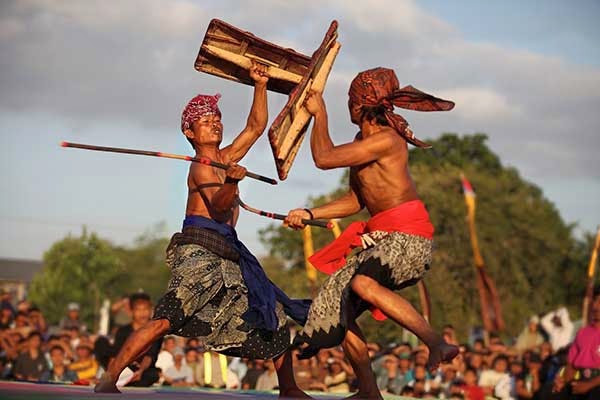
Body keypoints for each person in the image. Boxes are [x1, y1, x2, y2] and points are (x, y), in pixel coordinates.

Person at [95, 61, 310, 399]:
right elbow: (221, 205)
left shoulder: (225, 157)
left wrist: (260, 84)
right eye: (205, 122)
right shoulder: (201, 168)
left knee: (271, 312)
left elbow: (256, 126)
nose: (215, 125)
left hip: (228, 257)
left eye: (217, 120)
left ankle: (289, 388)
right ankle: (109, 377)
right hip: (199, 254)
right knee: (165, 320)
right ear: (190, 133)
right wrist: (233, 181)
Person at [285, 67, 458, 399]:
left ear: (362, 103)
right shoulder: (361, 143)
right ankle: (368, 391)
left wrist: (319, 115)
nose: (347, 104)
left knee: (363, 284)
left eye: (350, 99)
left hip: (409, 237)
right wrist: (309, 214)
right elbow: (355, 200)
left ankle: (436, 343)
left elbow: (323, 157)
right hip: (381, 239)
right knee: (337, 307)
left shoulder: (385, 140)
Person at [550, 291, 600, 399]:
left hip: (596, 385)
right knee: (554, 393)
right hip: (581, 382)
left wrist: (589, 385)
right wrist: (562, 381)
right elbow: (571, 366)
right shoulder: (583, 332)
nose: (595, 306)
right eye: (595, 301)